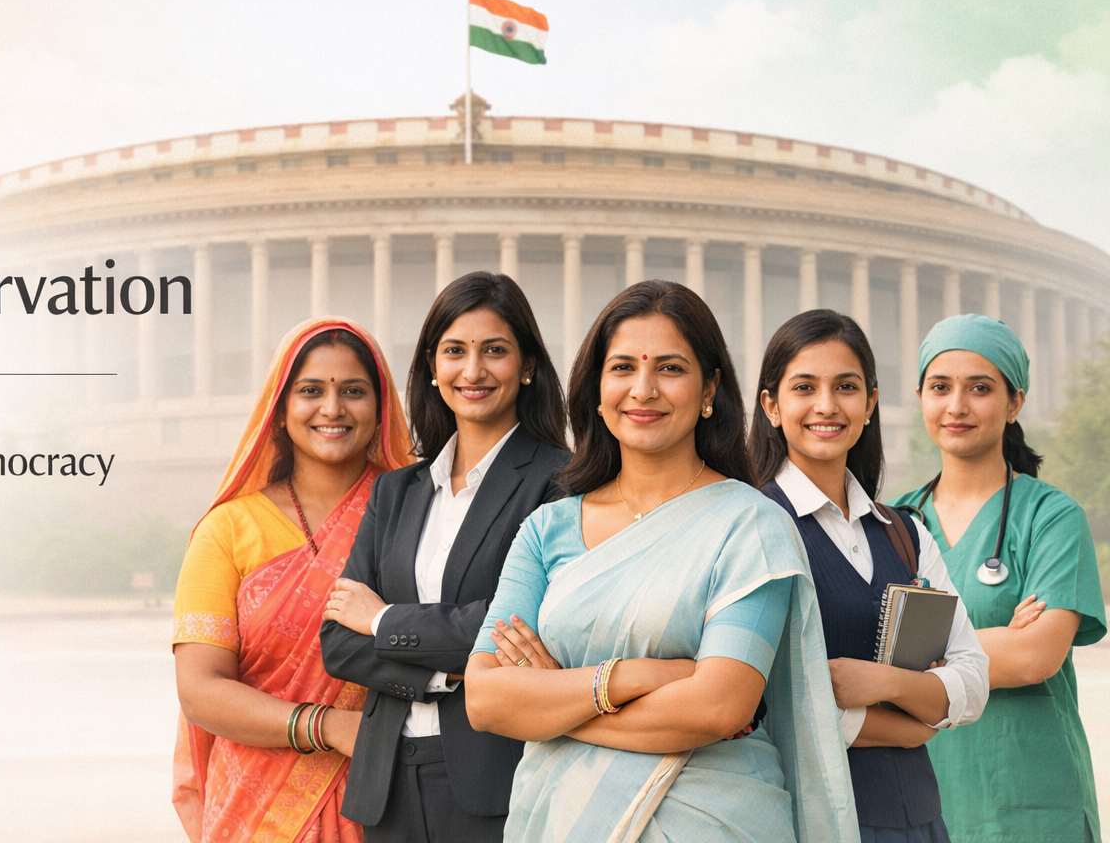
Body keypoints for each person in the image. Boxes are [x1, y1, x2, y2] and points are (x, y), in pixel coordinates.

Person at [463, 279, 860, 843]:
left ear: (709, 389)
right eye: (622, 368)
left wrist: (557, 702)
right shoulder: (546, 529)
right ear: (597, 390)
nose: (643, 389)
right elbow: (485, 699)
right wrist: (629, 678)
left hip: (715, 821)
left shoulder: (751, 525)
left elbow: (718, 707)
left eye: (670, 369)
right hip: (562, 819)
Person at [318, 272, 571, 843]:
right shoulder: (396, 492)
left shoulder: (561, 483)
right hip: (386, 783)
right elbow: (337, 641)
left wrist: (383, 620)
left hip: (499, 778)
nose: (473, 371)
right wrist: (449, 672)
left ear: (528, 366)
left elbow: (526, 625)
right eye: (455, 351)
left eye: (495, 351)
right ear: (433, 367)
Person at [749, 309, 989, 843]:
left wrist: (886, 684)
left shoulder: (905, 533)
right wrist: (915, 722)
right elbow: (762, 707)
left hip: (919, 819)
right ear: (771, 405)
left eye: (847, 387)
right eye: (804, 387)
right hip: (805, 822)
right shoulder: (750, 528)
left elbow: (973, 682)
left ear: (871, 403)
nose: (827, 406)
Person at [172, 318, 415, 843]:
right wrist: (327, 727)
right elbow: (199, 690)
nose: (332, 409)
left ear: (381, 409)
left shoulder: (418, 513)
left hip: (397, 795)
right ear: (280, 411)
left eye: (354, 391)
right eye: (310, 391)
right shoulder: (228, 529)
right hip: (260, 814)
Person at [891, 314, 1106, 843]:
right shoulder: (894, 524)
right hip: (921, 794)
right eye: (940, 387)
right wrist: (996, 642)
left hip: (1030, 801)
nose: (957, 406)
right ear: (920, 396)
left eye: (980, 388)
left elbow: (1035, 658)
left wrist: (917, 655)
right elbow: (865, 662)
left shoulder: (1051, 517)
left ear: (1014, 403)